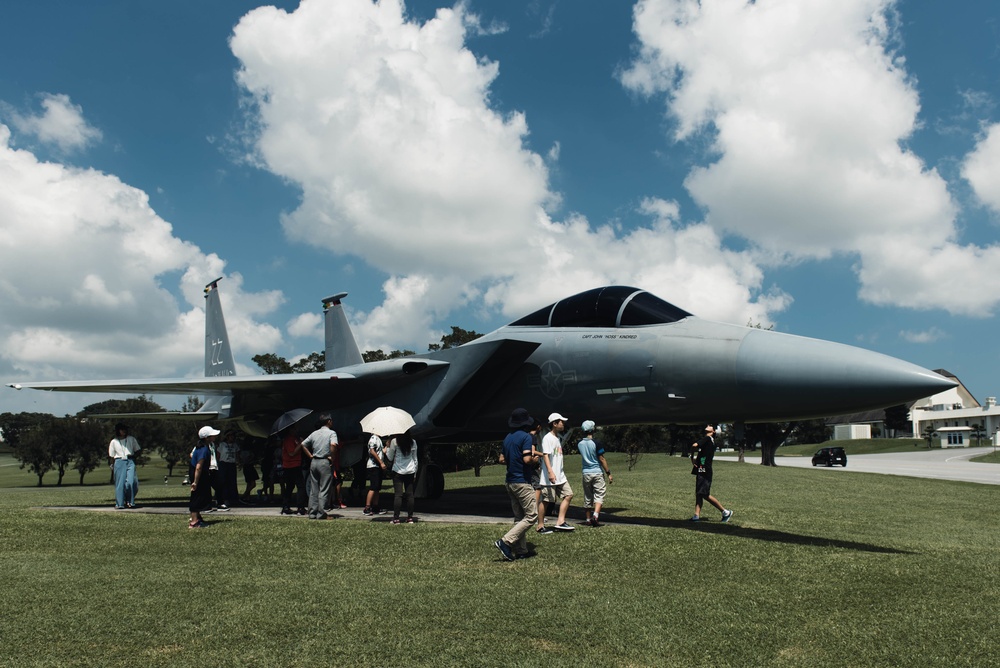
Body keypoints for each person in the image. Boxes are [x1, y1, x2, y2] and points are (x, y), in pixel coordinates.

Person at [494, 408, 540, 561]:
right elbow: (527, 460)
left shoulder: (507, 438)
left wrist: (514, 461)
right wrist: (535, 460)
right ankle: (505, 541)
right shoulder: (526, 437)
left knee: (519, 517)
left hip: (510, 481)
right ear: (526, 423)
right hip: (522, 481)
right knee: (532, 515)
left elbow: (501, 459)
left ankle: (521, 550)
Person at [538, 412, 575, 532]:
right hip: (550, 476)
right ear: (554, 424)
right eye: (561, 422)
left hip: (560, 476)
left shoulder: (557, 438)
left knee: (568, 494)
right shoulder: (547, 438)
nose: (563, 424)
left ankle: (560, 521)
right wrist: (550, 472)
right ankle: (540, 526)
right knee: (547, 501)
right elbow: (545, 456)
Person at [690, 424, 733, 523]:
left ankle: (725, 512)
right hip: (703, 468)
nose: (708, 426)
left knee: (704, 494)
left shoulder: (707, 439)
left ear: (713, 431)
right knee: (699, 494)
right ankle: (696, 516)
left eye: (710, 426)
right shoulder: (711, 442)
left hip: (704, 469)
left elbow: (694, 445)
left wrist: (692, 456)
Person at [301, 413, 338, 520]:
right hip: (325, 461)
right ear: (329, 421)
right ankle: (322, 513)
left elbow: (303, 444)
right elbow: (333, 445)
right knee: (324, 488)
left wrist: (310, 456)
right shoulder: (332, 433)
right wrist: (332, 457)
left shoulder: (314, 433)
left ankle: (312, 513)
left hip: (314, 462)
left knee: (314, 488)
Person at [578, 420, 613, 526]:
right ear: (592, 430)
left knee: (588, 496)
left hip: (586, 473)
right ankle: (596, 515)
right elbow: (601, 459)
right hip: (597, 472)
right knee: (599, 494)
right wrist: (608, 473)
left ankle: (588, 519)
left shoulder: (579, 444)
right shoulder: (596, 443)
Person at [385, 431, 418, 524]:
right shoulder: (413, 442)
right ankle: (410, 517)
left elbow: (390, 458)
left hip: (398, 471)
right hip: (410, 470)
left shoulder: (394, 441)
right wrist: (415, 473)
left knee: (398, 495)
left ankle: (396, 518)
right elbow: (415, 459)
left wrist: (387, 449)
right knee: (410, 495)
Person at [189, 426, 219, 529]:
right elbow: (199, 467)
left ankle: (198, 519)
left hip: (200, 473)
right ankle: (194, 522)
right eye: (212, 435)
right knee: (197, 497)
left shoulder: (202, 447)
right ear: (207, 437)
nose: (214, 436)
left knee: (201, 496)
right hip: (198, 474)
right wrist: (195, 482)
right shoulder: (203, 449)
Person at [108, 423, 141, 509]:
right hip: (119, 461)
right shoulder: (114, 441)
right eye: (122, 429)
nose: (124, 431)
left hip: (130, 460)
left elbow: (138, 450)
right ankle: (120, 503)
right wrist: (112, 465)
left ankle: (130, 500)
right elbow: (111, 455)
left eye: (125, 429)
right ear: (118, 431)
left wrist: (134, 457)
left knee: (131, 482)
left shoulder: (131, 439)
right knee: (120, 483)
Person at [279, 427, 307, 515]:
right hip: (291, 465)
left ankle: (286, 506)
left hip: (294, 465)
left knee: (290, 486)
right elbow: (291, 453)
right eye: (294, 429)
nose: (296, 430)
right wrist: (301, 444)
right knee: (300, 486)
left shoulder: (294, 439)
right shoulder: (288, 440)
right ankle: (300, 507)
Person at [364, 433, 388, 515]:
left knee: (377, 487)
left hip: (377, 466)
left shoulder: (378, 439)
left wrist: (386, 447)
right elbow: (372, 450)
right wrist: (381, 462)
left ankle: (375, 506)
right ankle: (367, 507)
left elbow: (380, 451)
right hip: (373, 465)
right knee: (373, 487)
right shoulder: (373, 438)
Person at [216, 430, 240, 510]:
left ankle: (233, 498)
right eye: (230, 436)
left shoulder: (235, 445)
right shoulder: (222, 445)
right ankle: (224, 498)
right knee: (223, 481)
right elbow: (218, 455)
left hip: (231, 464)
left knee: (232, 482)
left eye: (233, 436)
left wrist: (237, 461)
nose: (232, 437)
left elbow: (237, 454)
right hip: (223, 463)